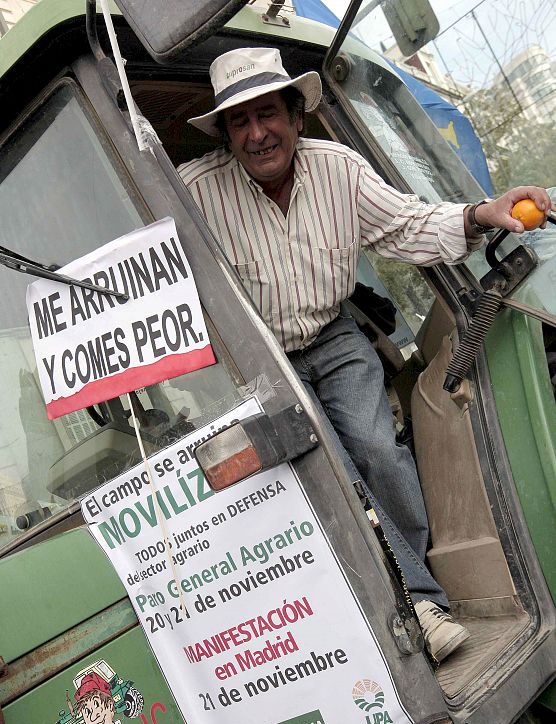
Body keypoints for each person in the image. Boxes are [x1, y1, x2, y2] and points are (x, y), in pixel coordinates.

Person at [178, 47, 551, 662]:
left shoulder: (339, 169)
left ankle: (421, 587)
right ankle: (417, 608)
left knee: (379, 451)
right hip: (265, 364)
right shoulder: (193, 193)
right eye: (239, 121)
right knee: (335, 474)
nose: (257, 133)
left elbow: (406, 225)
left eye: (267, 113)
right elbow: (151, 272)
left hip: (333, 334)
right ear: (223, 135)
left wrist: (481, 213)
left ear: (296, 116)